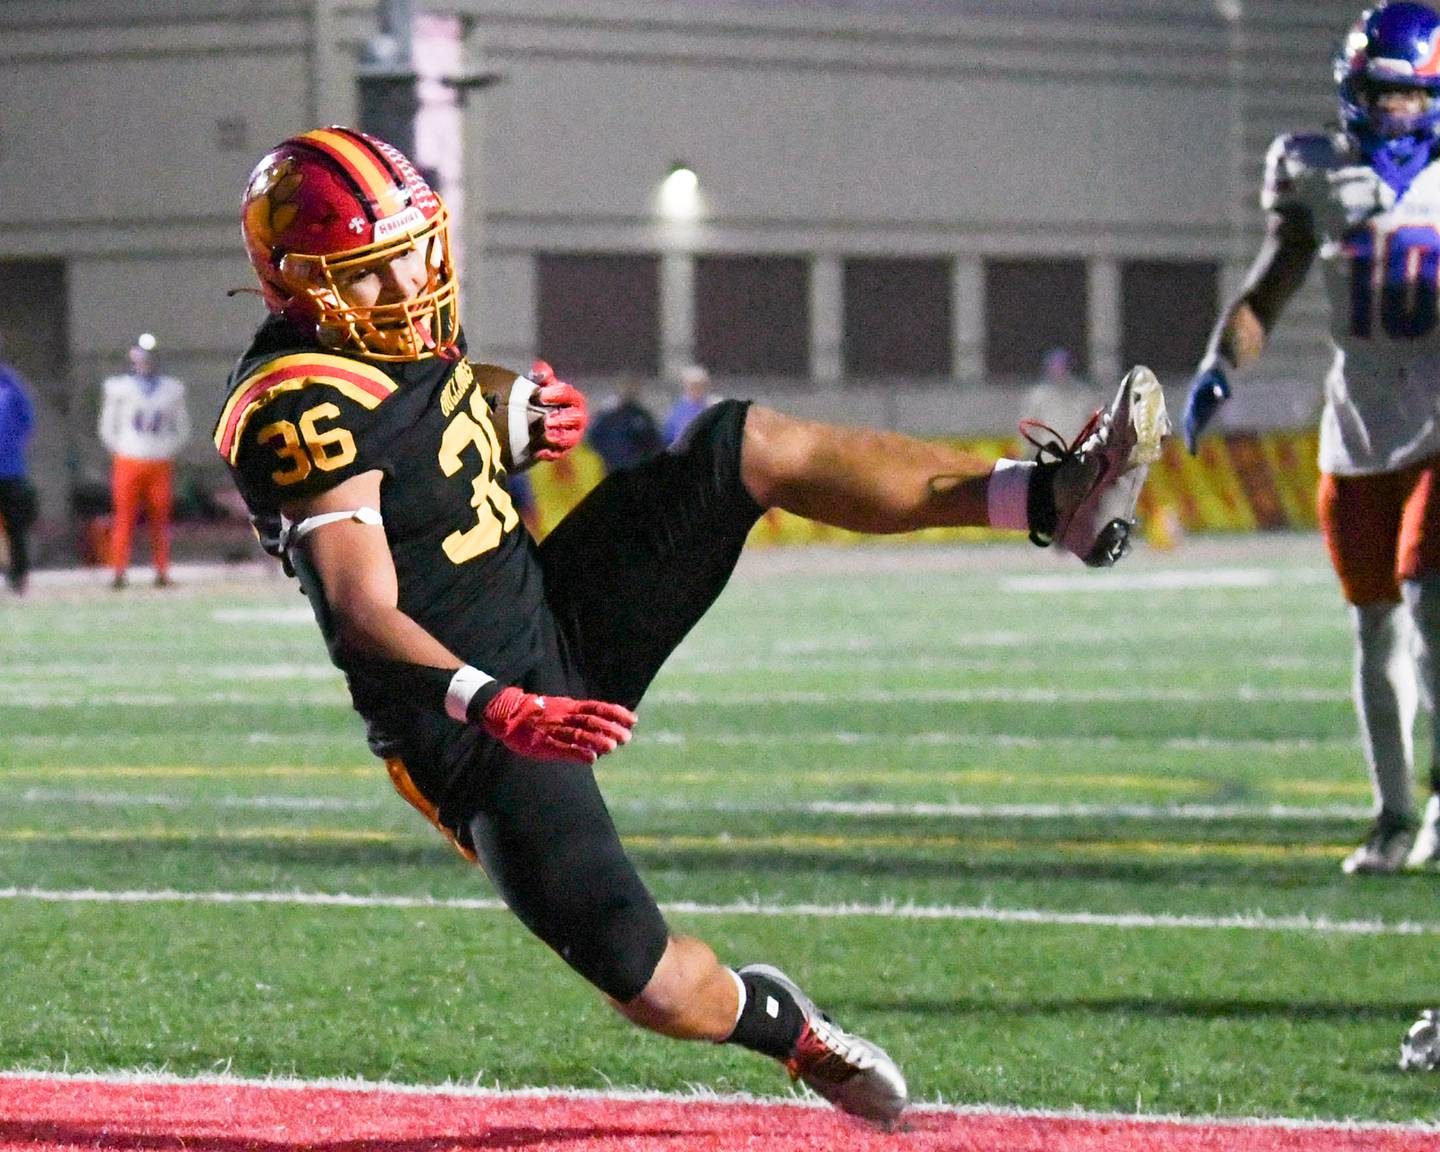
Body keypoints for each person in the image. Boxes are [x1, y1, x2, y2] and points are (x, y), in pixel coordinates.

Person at [215, 126, 1167, 1126]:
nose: (409, 282)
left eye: (416, 251)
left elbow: (432, 408)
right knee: (656, 985)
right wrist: (494, 704)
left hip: (551, 603)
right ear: (294, 284)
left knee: (742, 444)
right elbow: (360, 607)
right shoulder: (294, 402)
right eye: (372, 272)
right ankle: (785, 1026)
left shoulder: (382, 335)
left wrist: (514, 412)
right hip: (470, 728)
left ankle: (1051, 500)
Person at [1183, 1, 1440, 874]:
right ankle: (1395, 814)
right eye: (1380, 95)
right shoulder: (1318, 171)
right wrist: (1222, 366)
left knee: (1429, 605)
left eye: (1410, 99)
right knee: (1374, 631)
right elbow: (1267, 290)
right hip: (1359, 429)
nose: (1394, 113)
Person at [98, 334, 191, 588]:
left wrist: (167, 449)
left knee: (160, 520)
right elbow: (108, 426)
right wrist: (120, 448)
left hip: (159, 460)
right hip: (129, 459)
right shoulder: (118, 388)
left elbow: (181, 427)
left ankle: (161, 570)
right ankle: (118, 571)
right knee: (124, 518)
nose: (145, 362)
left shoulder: (172, 389)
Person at [0, 335, 37, 595]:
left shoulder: (11, 384)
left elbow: (27, 421)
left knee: (16, 528)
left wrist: (12, 447)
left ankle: (18, 576)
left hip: (10, 470)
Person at [587, 375, 663, 473]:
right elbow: (593, 439)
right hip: (611, 468)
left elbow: (653, 442)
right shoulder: (607, 415)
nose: (630, 390)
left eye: (634, 387)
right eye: (627, 387)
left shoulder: (641, 415)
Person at [663, 364, 715, 446]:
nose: (698, 389)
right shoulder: (678, 410)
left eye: (701, 385)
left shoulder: (713, 406)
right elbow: (668, 436)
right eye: (694, 386)